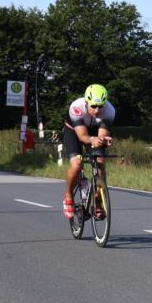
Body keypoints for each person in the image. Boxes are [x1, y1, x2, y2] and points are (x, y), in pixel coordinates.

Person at [62, 84, 115, 219]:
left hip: (94, 131)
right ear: (86, 102)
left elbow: (102, 134)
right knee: (77, 165)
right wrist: (93, 139)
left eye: (100, 106)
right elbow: (83, 137)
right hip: (75, 131)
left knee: (101, 163)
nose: (97, 110)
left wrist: (104, 140)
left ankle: (98, 201)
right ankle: (68, 196)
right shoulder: (76, 107)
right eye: (93, 106)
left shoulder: (109, 111)